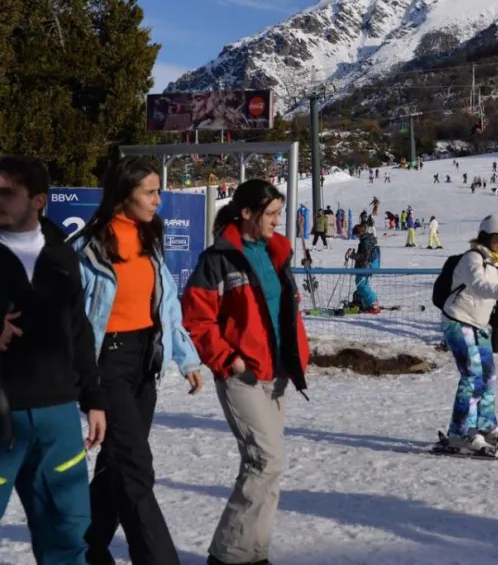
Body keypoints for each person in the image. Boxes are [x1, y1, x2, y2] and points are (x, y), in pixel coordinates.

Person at [70, 156, 203, 565]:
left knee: (115, 463)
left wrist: (187, 357)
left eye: (159, 191)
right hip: (106, 363)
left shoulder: (151, 238)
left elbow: (166, 308)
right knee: (135, 468)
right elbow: (71, 321)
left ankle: (84, 548)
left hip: (146, 360)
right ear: (124, 194)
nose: (158, 200)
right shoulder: (87, 247)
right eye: (150, 192)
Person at [182, 179, 311, 565]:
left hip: (277, 374)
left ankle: (255, 552)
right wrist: (227, 359)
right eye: (270, 214)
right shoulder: (217, 259)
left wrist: (298, 353)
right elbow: (197, 320)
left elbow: (285, 311)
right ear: (247, 214)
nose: (277, 221)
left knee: (269, 469)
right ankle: (229, 554)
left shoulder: (276, 253)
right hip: (242, 375)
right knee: (265, 462)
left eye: (278, 213)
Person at [0, 155, 106, 564]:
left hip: (57, 415)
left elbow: (78, 329)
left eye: (7, 192)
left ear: (38, 200)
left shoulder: (63, 254)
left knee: (67, 534)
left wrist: (93, 398)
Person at [440, 215, 498, 453]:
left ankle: (486, 427)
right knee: (472, 375)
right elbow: (478, 285)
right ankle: (460, 433)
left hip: (480, 325)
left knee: (488, 375)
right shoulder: (472, 258)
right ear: (485, 237)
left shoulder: (497, 262)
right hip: (457, 320)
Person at [348, 223, 381, 313]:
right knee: (362, 286)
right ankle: (366, 302)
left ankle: (374, 302)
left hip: (364, 267)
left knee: (362, 287)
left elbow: (364, 256)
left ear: (361, 232)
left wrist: (353, 255)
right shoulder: (366, 240)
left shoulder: (365, 241)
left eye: (357, 234)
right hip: (365, 267)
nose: (356, 236)